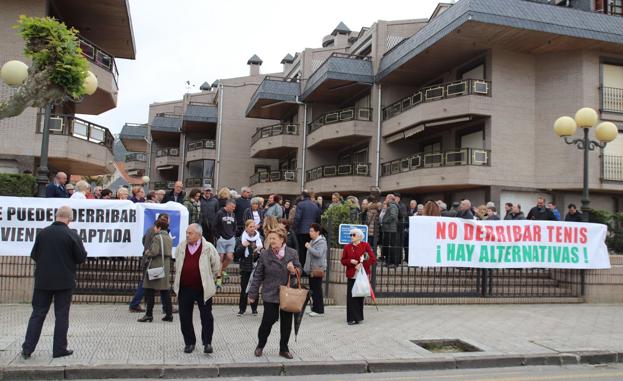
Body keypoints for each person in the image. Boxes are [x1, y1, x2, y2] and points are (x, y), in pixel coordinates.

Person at [21, 206, 87, 359]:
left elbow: (34, 254)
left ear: (56, 216)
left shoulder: (42, 233)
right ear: (70, 219)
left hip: (43, 280)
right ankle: (59, 349)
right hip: (64, 280)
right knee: (62, 315)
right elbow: (81, 258)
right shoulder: (72, 235)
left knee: (37, 314)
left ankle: (27, 348)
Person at [247, 227, 302, 360]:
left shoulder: (292, 253)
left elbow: (300, 269)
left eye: (274, 238)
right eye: (269, 238)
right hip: (270, 292)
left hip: (287, 292)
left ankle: (284, 348)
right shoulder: (265, 254)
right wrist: (252, 294)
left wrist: (293, 270)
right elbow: (258, 274)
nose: (271, 241)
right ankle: (260, 345)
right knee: (268, 319)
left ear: (282, 239)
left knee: (286, 322)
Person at [173, 224, 221, 354]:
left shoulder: (208, 247)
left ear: (199, 235)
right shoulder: (181, 246)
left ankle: (207, 343)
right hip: (185, 288)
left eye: (190, 233)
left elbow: (216, 265)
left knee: (206, 317)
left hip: (203, 289)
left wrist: (208, 278)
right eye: (187, 233)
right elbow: (177, 263)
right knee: (185, 317)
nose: (187, 235)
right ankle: (189, 343)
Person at [129, 214, 170, 313]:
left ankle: (163, 307)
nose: (168, 223)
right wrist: (148, 251)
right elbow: (154, 251)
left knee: (148, 284)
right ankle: (135, 304)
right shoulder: (157, 234)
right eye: (166, 220)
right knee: (147, 284)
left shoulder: (150, 230)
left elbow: (144, 241)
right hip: (151, 261)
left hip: (148, 260)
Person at [138, 219, 174, 323]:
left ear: (159, 227)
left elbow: (154, 252)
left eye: (155, 227)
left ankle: (149, 314)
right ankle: (169, 314)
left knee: (149, 290)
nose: (154, 229)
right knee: (165, 291)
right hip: (165, 266)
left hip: (156, 266)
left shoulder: (157, 237)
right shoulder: (168, 237)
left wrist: (146, 252)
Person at [340, 227, 376, 326]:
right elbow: (343, 260)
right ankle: (350, 318)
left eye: (354, 235)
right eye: (351, 235)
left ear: (359, 236)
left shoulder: (365, 245)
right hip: (352, 275)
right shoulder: (347, 247)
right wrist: (350, 261)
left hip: (362, 275)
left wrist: (362, 265)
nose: (351, 236)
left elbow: (373, 259)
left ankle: (359, 318)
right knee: (351, 296)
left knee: (359, 296)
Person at [235, 220, 263, 316]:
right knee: (244, 289)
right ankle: (242, 309)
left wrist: (260, 249)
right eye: (250, 227)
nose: (252, 229)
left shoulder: (259, 238)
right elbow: (236, 255)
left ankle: (254, 309)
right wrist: (243, 246)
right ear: (246, 228)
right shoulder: (240, 239)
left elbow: (264, 252)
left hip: (256, 268)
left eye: (254, 227)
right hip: (245, 268)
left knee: (255, 288)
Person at [293, 190, 321, 271]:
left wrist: (294, 228)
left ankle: (302, 269)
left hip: (302, 231)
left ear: (302, 196)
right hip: (312, 232)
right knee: (310, 250)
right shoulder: (315, 205)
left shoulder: (300, 204)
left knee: (302, 251)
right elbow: (318, 219)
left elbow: (297, 218)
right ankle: (309, 269)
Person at [304, 223, 327, 317]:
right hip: (311, 269)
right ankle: (315, 308)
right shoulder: (313, 241)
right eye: (310, 231)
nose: (310, 233)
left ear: (317, 232)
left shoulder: (321, 242)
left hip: (317, 269)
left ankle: (319, 310)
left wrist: (309, 247)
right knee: (313, 289)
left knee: (317, 289)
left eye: (312, 231)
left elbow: (319, 254)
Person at [215, 199, 236, 288]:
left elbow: (235, 226)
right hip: (222, 239)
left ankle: (223, 269)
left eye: (234, 207)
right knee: (220, 257)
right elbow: (214, 225)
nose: (233, 209)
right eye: (232, 207)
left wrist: (233, 234)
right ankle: (218, 278)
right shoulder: (220, 213)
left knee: (229, 257)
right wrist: (218, 236)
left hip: (231, 238)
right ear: (227, 205)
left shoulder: (233, 214)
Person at [381, 194, 400, 267]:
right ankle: (389, 262)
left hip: (390, 229)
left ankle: (391, 263)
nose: (385, 200)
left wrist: (385, 220)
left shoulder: (392, 206)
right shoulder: (391, 205)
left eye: (386, 198)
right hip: (389, 229)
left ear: (390, 199)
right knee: (388, 246)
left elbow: (393, 216)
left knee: (390, 246)